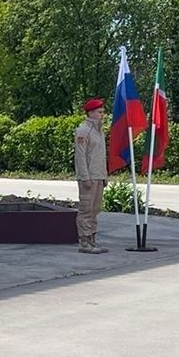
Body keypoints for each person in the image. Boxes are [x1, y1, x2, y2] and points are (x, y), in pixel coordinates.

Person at [75, 98, 109, 252]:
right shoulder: (83, 131)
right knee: (86, 209)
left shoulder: (99, 131)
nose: (102, 115)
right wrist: (85, 177)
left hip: (98, 176)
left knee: (95, 209)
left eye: (102, 112)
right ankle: (84, 242)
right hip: (88, 177)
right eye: (99, 112)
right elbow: (80, 156)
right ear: (91, 113)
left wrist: (104, 175)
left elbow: (101, 156)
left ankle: (92, 239)